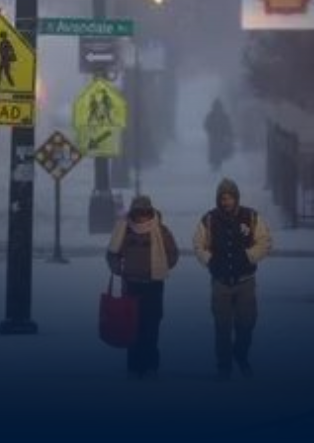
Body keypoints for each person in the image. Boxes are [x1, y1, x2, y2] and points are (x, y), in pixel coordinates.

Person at [192, 178, 272, 381]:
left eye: (229, 198)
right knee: (222, 327)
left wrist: (249, 256)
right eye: (223, 198)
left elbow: (265, 241)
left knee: (247, 323)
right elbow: (198, 244)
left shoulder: (251, 217)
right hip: (220, 282)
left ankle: (241, 353)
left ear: (236, 198)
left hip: (245, 280)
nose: (226, 202)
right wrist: (210, 261)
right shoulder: (209, 220)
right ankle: (224, 366)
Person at [106, 195, 179, 380]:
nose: (141, 217)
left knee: (151, 327)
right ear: (133, 213)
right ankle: (134, 366)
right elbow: (112, 252)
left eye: (145, 213)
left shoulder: (161, 231)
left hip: (154, 285)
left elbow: (173, 253)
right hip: (131, 285)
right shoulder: (124, 231)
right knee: (132, 328)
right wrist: (118, 268)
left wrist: (162, 266)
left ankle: (151, 365)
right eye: (138, 213)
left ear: (150, 212)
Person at [204, 98, 234, 172]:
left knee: (215, 150)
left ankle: (216, 164)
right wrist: (229, 133)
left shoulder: (212, 115)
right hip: (217, 136)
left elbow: (206, 124)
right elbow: (206, 124)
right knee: (216, 150)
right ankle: (216, 164)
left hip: (217, 136)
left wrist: (209, 130)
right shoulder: (219, 115)